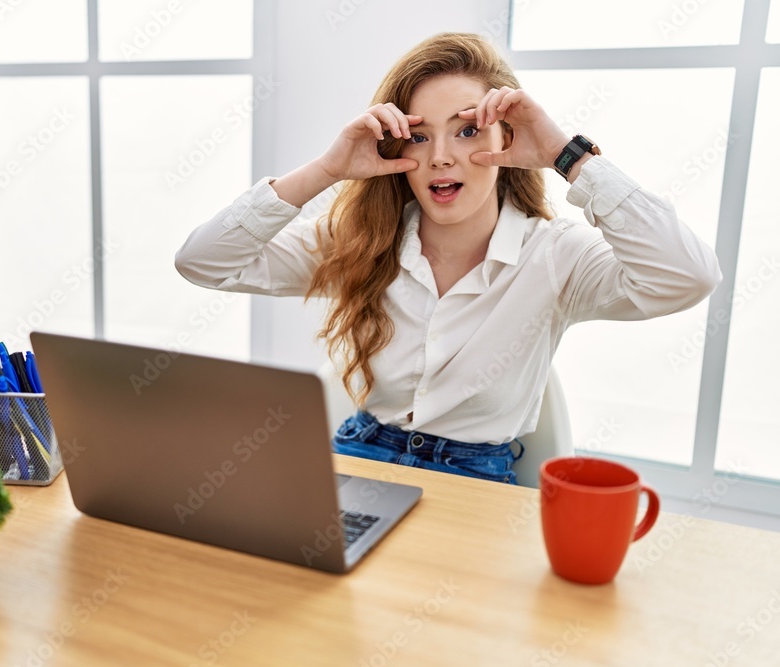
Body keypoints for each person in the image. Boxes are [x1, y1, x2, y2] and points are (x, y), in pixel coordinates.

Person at [174, 32, 721, 485]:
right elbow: (203, 262)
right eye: (418, 136)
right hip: (358, 459)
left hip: (475, 480)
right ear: (396, 148)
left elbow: (688, 276)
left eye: (466, 131)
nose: (440, 157)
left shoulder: (555, 256)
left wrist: (564, 155)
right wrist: (326, 169)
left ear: (507, 138)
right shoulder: (360, 239)